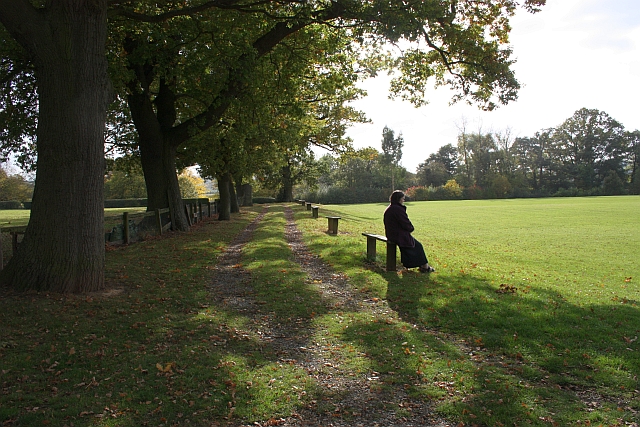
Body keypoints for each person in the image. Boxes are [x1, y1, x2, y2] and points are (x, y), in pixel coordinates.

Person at [383, 190, 435, 273]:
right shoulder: (397, 209)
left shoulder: (391, 208)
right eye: (403, 199)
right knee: (418, 246)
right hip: (397, 235)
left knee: (413, 244)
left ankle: (422, 266)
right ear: (399, 199)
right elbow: (405, 222)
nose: (404, 200)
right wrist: (411, 229)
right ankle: (425, 267)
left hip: (391, 234)